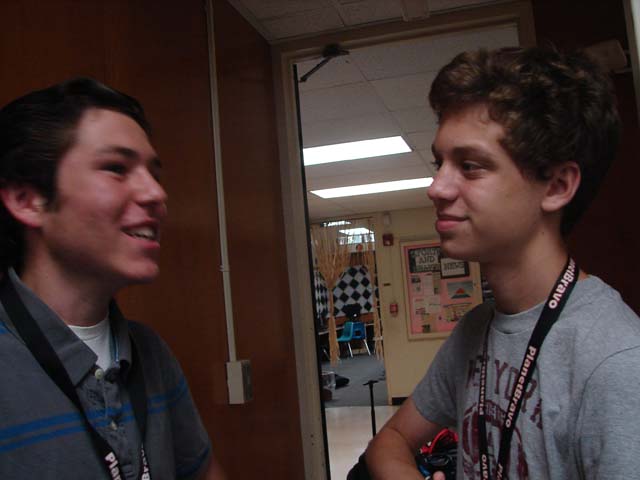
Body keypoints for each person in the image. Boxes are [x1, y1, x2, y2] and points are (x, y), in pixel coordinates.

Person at [365, 46, 640, 479]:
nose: (436, 187)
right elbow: (390, 440)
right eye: (440, 163)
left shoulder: (617, 361)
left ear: (557, 186)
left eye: (470, 166)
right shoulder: (476, 328)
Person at [0, 78, 226, 479]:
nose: (156, 194)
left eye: (154, 174)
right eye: (116, 169)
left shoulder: (149, 352)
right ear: (27, 200)